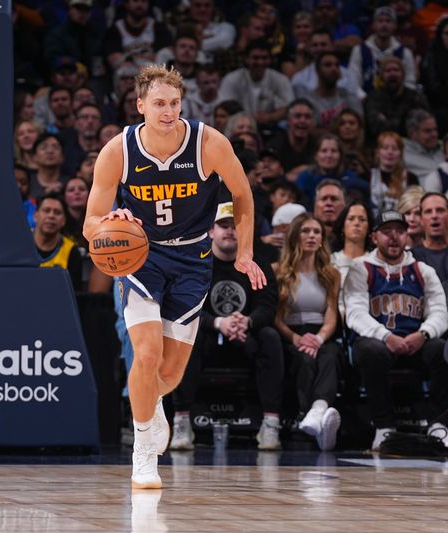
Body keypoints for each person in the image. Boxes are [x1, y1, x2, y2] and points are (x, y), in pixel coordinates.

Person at [84, 65, 265, 489]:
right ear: (141, 105)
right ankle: (143, 450)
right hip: (141, 257)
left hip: (192, 257)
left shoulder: (208, 143)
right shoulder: (118, 151)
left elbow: (243, 194)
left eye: (175, 104)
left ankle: (155, 403)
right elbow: (91, 223)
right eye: (160, 104)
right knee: (144, 356)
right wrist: (110, 220)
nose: (168, 111)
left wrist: (245, 251)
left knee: (168, 373)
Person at [170, 202, 283, 451]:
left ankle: (271, 424)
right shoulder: (195, 263)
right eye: (223, 226)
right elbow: (185, 307)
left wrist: (248, 320)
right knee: (187, 335)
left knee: (270, 337)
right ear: (211, 231)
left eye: (235, 226)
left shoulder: (258, 264)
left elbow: (267, 305)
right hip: (209, 336)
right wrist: (217, 322)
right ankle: (181, 422)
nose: (230, 231)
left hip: (246, 335)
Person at [345, 211, 448, 451]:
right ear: (374, 237)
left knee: (443, 350)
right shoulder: (360, 268)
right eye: (386, 232)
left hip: (414, 342)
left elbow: (440, 314)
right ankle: (384, 427)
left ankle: (439, 424)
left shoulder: (423, 270)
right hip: (380, 342)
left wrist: (423, 334)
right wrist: (386, 336)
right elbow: (355, 314)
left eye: (399, 231)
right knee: (369, 350)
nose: (394, 237)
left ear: (408, 235)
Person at [273, 214, 343, 451]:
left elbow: (332, 313)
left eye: (316, 232)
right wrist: (295, 338)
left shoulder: (331, 273)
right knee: (303, 358)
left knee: (331, 354)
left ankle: (317, 412)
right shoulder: (279, 271)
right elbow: (277, 317)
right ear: (294, 236)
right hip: (291, 333)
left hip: (320, 333)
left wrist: (320, 338)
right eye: (306, 231)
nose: (312, 236)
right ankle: (311, 416)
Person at [332, 200, 373, 323]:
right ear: (342, 227)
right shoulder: (330, 261)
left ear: (369, 228)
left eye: (362, 219)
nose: (356, 223)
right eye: (351, 219)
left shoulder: (376, 263)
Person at [34, 192, 82, 291]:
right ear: (36, 216)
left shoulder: (72, 251)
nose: (51, 216)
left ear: (63, 221)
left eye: (57, 212)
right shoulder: (22, 245)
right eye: (46, 210)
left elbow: (74, 293)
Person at [411, 193, 448, 283]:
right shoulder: (411, 257)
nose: (434, 216)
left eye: (440, 210)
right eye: (428, 211)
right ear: (421, 220)